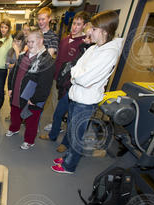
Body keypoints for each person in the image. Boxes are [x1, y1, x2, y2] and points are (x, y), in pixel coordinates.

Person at [51, 10, 123, 174]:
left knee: (77, 135)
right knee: (71, 129)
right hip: (77, 95)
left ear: (104, 31)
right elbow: (76, 69)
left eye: (94, 28)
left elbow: (83, 79)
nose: (90, 31)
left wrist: (79, 76)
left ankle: (69, 166)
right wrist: (79, 76)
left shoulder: (108, 53)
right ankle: (68, 156)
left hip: (86, 101)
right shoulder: (94, 49)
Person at [39, 11, 90, 146]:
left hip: (70, 83)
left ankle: (66, 143)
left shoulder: (84, 44)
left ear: (84, 26)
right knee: (56, 111)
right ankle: (53, 135)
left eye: (78, 24)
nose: (75, 27)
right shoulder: (65, 40)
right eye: (74, 23)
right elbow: (57, 59)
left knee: (69, 113)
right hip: (56, 78)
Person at [5, 30, 54, 150]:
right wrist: (10, 87)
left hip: (32, 97)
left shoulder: (47, 60)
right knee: (15, 112)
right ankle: (14, 128)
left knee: (31, 120)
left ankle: (29, 140)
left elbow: (45, 85)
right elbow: (13, 73)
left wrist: (35, 99)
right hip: (17, 92)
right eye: (28, 42)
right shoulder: (23, 56)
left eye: (32, 42)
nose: (30, 44)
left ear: (41, 41)